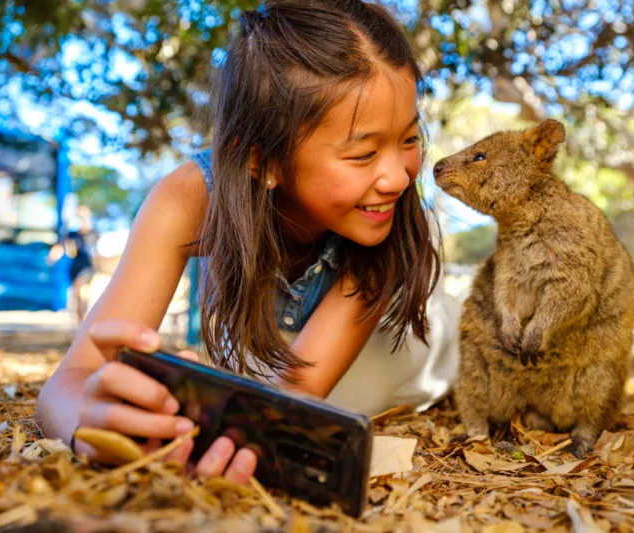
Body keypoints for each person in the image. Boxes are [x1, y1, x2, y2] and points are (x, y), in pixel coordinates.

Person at [36, 0, 458, 485]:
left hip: (416, 342)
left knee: (349, 398)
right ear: (262, 162)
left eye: (408, 138)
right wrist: (88, 424)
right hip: (278, 344)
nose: (399, 177)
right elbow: (65, 386)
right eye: (363, 153)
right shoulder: (187, 199)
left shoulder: (383, 219)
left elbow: (297, 392)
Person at [48, 205, 98, 323]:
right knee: (77, 296)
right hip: (75, 266)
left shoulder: (92, 233)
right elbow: (60, 246)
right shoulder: (72, 234)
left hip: (87, 267)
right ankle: (80, 324)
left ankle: (85, 322)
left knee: (80, 291)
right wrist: (53, 256)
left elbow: (95, 253)